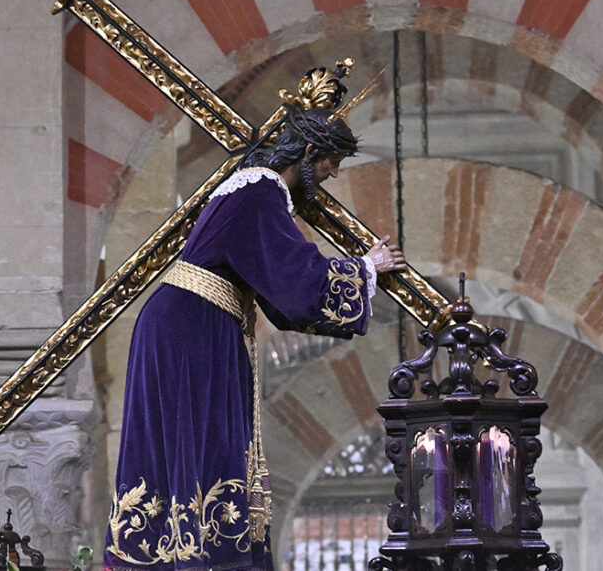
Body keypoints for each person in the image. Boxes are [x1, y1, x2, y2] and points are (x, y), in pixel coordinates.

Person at [104, 81, 406, 571]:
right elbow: (294, 279)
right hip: (193, 328)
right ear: (308, 151)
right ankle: (200, 561)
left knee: (185, 449)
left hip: (190, 323)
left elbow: (282, 300)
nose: (330, 174)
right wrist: (365, 268)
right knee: (207, 448)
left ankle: (176, 558)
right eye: (331, 162)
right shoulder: (261, 188)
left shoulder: (254, 190)